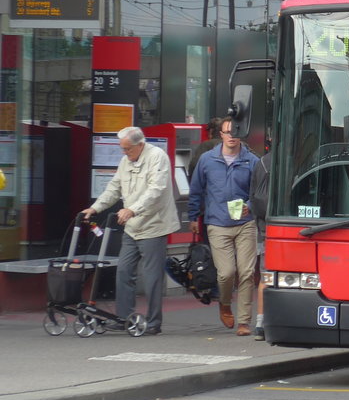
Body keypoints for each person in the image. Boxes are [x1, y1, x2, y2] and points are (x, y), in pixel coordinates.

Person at [81, 126, 180, 335]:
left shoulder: (157, 157)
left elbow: (156, 190)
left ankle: (154, 323)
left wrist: (133, 210)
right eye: (122, 149)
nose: (124, 153)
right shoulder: (126, 160)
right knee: (124, 271)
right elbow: (114, 187)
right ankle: (123, 318)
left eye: (127, 149)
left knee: (152, 278)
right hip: (132, 227)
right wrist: (95, 207)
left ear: (140, 144)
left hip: (154, 225)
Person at [189, 117, 260, 335]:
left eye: (235, 132)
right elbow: (196, 189)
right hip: (217, 223)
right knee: (226, 273)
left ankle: (244, 321)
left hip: (245, 223)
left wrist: (249, 205)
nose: (232, 136)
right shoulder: (207, 159)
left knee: (247, 273)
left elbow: (259, 191)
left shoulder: (252, 161)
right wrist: (193, 217)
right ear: (220, 134)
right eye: (227, 132)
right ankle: (225, 303)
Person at [250, 146, 271, 341]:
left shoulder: (263, 162)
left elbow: (254, 197)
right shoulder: (299, 162)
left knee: (266, 276)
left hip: (267, 228)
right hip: (297, 227)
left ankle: (260, 323)